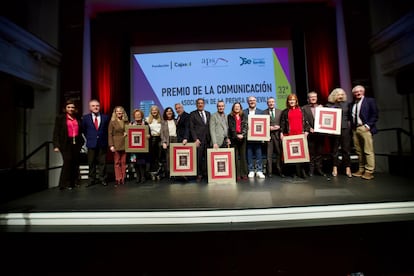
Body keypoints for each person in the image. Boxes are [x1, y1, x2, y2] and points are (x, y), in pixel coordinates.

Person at [53, 99, 85, 190]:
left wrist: (82, 143)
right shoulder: (60, 118)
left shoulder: (77, 118)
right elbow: (56, 132)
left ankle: (73, 182)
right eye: (69, 107)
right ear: (65, 108)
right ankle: (63, 184)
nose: (71, 109)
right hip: (65, 144)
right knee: (67, 162)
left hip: (76, 143)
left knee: (75, 163)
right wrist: (56, 145)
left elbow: (81, 131)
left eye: (72, 107)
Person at [350, 85, 379, 180]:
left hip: (365, 128)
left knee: (368, 150)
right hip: (355, 129)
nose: (358, 93)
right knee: (359, 151)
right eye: (355, 92)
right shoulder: (352, 104)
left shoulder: (370, 101)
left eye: (360, 91)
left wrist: (368, 126)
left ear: (363, 92)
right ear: (353, 94)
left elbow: (375, 114)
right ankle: (361, 169)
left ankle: (369, 171)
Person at [280, 94, 310, 178]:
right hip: (290, 135)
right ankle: (293, 172)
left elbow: (306, 122)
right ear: (288, 101)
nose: (291, 101)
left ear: (296, 101)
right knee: (292, 155)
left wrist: (307, 131)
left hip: (301, 135)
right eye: (290, 100)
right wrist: (281, 133)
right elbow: (282, 124)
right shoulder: (285, 112)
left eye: (293, 100)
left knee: (302, 155)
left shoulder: (302, 110)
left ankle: (302, 171)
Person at [82, 99, 110, 187]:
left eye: (97, 105)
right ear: (90, 108)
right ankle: (91, 180)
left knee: (102, 162)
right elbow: (84, 130)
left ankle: (103, 179)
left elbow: (107, 130)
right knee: (91, 162)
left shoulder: (105, 117)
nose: (95, 107)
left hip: (102, 143)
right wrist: (91, 138)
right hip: (91, 143)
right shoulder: (86, 118)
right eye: (93, 106)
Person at [326, 88, 353, 178]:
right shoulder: (329, 105)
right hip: (333, 130)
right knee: (334, 150)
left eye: (342, 94)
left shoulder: (347, 105)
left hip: (345, 129)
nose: (340, 96)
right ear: (334, 95)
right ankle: (335, 167)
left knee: (346, 150)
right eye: (338, 94)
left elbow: (350, 117)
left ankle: (348, 168)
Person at [302, 91, 326, 177]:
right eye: (311, 97)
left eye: (314, 97)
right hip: (310, 134)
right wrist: (308, 128)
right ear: (308, 99)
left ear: (317, 98)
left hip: (320, 134)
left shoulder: (322, 107)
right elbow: (303, 121)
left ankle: (319, 169)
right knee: (311, 153)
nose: (313, 98)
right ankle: (311, 170)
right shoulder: (304, 108)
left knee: (319, 153)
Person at [190, 98, 211, 182]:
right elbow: (191, 128)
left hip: (208, 140)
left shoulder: (208, 113)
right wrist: (195, 139)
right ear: (196, 104)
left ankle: (206, 174)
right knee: (198, 158)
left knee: (207, 158)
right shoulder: (192, 114)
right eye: (198, 103)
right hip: (198, 140)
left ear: (204, 104)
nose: (200, 104)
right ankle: (199, 174)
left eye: (202, 103)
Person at [244, 96, 265, 179]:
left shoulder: (261, 112)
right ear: (248, 102)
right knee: (249, 154)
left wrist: (263, 137)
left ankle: (259, 170)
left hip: (258, 137)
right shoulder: (244, 112)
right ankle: (251, 170)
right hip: (248, 137)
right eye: (250, 101)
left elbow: (263, 125)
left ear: (256, 101)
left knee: (258, 153)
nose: (252, 102)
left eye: (253, 100)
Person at [263, 97, 284, 178]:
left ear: (274, 103)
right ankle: (270, 172)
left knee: (279, 154)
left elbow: (283, 123)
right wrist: (268, 127)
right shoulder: (263, 112)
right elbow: (262, 124)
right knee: (269, 155)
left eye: (272, 102)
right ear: (267, 103)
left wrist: (279, 127)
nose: (271, 103)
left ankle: (280, 170)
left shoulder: (280, 112)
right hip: (269, 136)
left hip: (278, 136)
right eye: (269, 102)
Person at [108, 106, 129, 186]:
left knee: (123, 162)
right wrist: (111, 145)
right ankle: (118, 179)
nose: (119, 112)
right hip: (116, 144)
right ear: (115, 113)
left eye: (121, 111)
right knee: (117, 162)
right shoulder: (112, 122)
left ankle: (123, 178)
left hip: (125, 143)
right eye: (117, 111)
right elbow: (109, 134)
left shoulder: (126, 121)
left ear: (123, 112)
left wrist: (127, 133)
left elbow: (129, 130)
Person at [228, 102, 248, 181]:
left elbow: (246, 126)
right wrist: (236, 135)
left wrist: (242, 134)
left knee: (243, 156)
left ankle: (244, 173)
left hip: (243, 138)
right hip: (234, 138)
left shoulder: (244, 115)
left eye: (238, 106)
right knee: (235, 157)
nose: (237, 108)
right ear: (233, 108)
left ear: (240, 108)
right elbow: (231, 127)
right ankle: (237, 174)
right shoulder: (230, 116)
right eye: (235, 106)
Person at [130, 109, 151, 183]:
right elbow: (128, 134)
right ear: (134, 116)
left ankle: (143, 177)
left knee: (142, 162)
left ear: (141, 115)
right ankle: (137, 177)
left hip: (142, 147)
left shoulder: (145, 124)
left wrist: (149, 136)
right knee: (134, 162)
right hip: (133, 148)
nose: (137, 116)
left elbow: (149, 134)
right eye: (136, 115)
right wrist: (126, 134)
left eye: (139, 114)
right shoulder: (131, 124)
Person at [160, 107, 177, 178]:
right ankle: (170, 172)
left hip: (176, 139)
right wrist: (164, 142)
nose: (169, 112)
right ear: (165, 113)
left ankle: (177, 172)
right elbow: (162, 133)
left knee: (176, 156)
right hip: (168, 139)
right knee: (169, 157)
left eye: (170, 111)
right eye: (167, 111)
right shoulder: (163, 122)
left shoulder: (176, 121)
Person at [146, 105, 163, 175]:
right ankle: (152, 171)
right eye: (153, 110)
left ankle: (158, 170)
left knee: (158, 155)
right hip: (151, 139)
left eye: (156, 110)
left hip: (159, 138)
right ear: (151, 111)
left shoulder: (161, 119)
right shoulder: (147, 119)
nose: (154, 111)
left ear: (158, 111)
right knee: (152, 156)